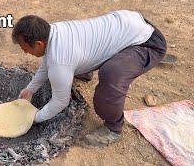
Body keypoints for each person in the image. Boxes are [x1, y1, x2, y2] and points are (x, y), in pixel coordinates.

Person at [12, 10, 166, 146]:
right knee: (69, 62)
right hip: (129, 22)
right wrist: (30, 89)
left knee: (111, 73)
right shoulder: (52, 32)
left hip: (146, 43)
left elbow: (61, 101)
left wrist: (34, 118)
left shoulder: (60, 60)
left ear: (39, 44)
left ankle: (113, 127)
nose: (25, 52)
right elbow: (48, 64)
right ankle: (85, 70)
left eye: (25, 49)